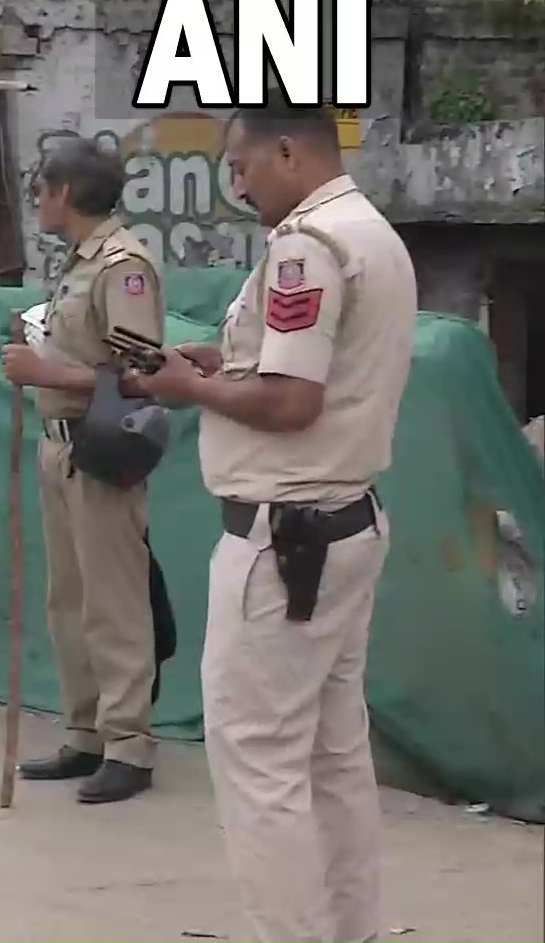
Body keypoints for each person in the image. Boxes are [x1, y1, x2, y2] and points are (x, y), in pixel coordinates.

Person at [136, 105, 416, 943]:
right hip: (344, 526)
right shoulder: (371, 235)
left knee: (259, 765)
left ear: (287, 151)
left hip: (283, 541)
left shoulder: (306, 247)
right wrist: (229, 366)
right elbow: (307, 369)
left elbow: (292, 402)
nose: (237, 185)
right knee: (332, 758)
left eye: (243, 167)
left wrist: (189, 390)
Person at [0, 135, 165, 804]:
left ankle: (130, 745)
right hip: (59, 445)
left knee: (114, 601)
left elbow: (142, 373)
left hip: (102, 446)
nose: (37, 198)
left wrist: (47, 370)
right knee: (68, 600)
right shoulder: (77, 265)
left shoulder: (124, 266)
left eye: (42, 187)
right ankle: (87, 731)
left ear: (64, 191)